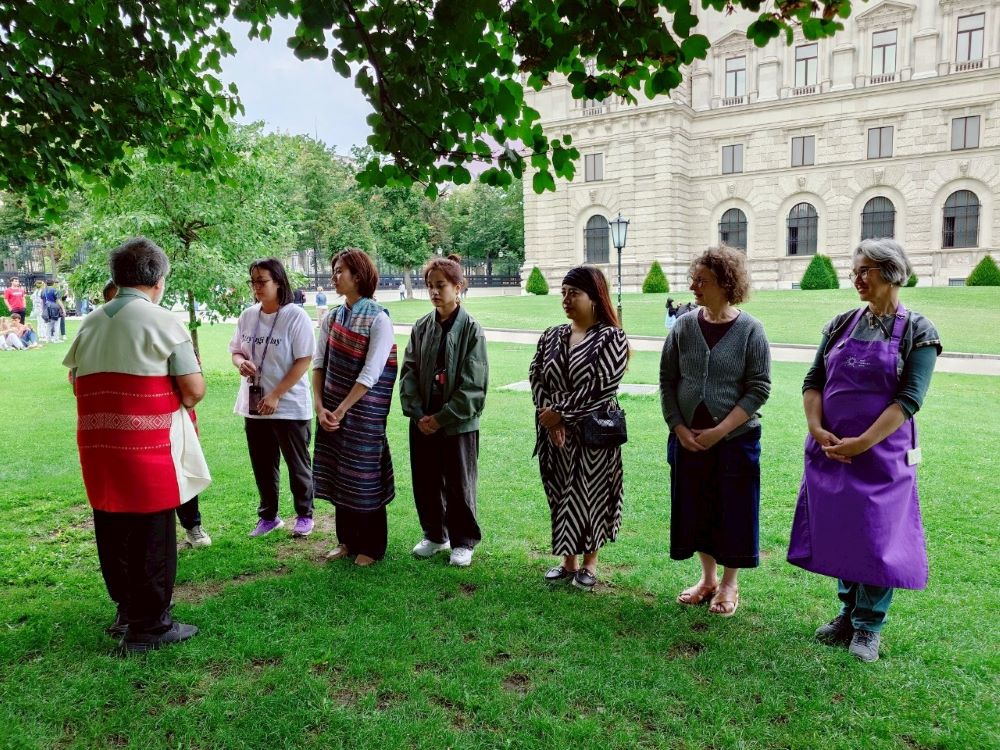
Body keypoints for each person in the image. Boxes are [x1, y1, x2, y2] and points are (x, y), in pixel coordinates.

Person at [788, 239, 941, 663]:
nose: (855, 278)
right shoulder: (840, 323)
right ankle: (847, 613)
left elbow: (909, 399)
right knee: (841, 531)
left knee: (877, 537)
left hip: (881, 455)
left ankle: (869, 624)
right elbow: (813, 379)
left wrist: (862, 442)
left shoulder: (919, 332)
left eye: (865, 271)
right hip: (832, 448)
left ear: (891, 274)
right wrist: (818, 429)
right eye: (854, 270)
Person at [62, 237, 211, 653]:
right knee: (151, 534)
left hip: (99, 446)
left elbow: (75, 379)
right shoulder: (162, 321)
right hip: (146, 447)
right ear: (159, 280)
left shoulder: (89, 322)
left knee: (112, 526)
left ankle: (126, 612)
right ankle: (150, 626)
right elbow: (193, 389)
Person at [660, 246, 771, 617]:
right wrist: (678, 427)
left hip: (735, 441)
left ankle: (729, 583)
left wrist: (719, 431)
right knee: (698, 509)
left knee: (734, 512)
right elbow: (667, 380)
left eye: (702, 281)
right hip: (688, 440)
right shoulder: (684, 326)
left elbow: (759, 388)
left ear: (726, 284)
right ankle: (707, 579)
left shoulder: (752, 330)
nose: (694, 287)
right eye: (694, 279)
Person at [529, 266, 629, 590]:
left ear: (595, 297)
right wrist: (548, 415)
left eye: (574, 293)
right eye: (563, 293)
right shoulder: (551, 335)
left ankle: (590, 562)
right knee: (559, 492)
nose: (566, 300)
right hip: (553, 433)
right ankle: (567, 561)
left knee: (591, 494)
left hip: (593, 431)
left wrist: (561, 415)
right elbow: (536, 376)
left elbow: (601, 388)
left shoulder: (612, 338)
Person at [104, 281, 211, 548]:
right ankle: (151, 538)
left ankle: (192, 526)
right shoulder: (103, 334)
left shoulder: (162, 327)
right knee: (144, 485)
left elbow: (192, 385)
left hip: (169, 423)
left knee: (180, 471)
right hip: (124, 432)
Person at [399, 254, 488, 567]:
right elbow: (408, 371)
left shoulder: (471, 330)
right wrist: (418, 413)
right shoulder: (422, 326)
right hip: (423, 418)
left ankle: (463, 541)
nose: (435, 292)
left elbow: (473, 386)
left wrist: (441, 418)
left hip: (456, 423)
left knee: (458, 482)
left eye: (441, 286)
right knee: (425, 479)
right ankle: (436, 535)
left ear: (458, 287)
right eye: (430, 286)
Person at [313, 248, 398, 566]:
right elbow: (319, 364)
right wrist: (321, 407)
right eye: (334, 270)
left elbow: (372, 373)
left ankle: (372, 547)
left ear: (358, 276)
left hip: (363, 415)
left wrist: (344, 408)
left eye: (340, 271)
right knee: (339, 472)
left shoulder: (378, 318)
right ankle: (346, 540)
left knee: (364, 474)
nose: (334, 276)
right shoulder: (333, 317)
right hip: (332, 412)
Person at [230, 258, 317, 539]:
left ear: (278, 281)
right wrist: (240, 362)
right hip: (255, 405)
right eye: (253, 281)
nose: (257, 287)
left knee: (297, 464)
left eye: (262, 281)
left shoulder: (295, 316)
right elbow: (236, 350)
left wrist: (277, 395)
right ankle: (268, 517)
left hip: (289, 406)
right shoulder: (248, 316)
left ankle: (305, 514)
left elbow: (304, 360)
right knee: (263, 464)